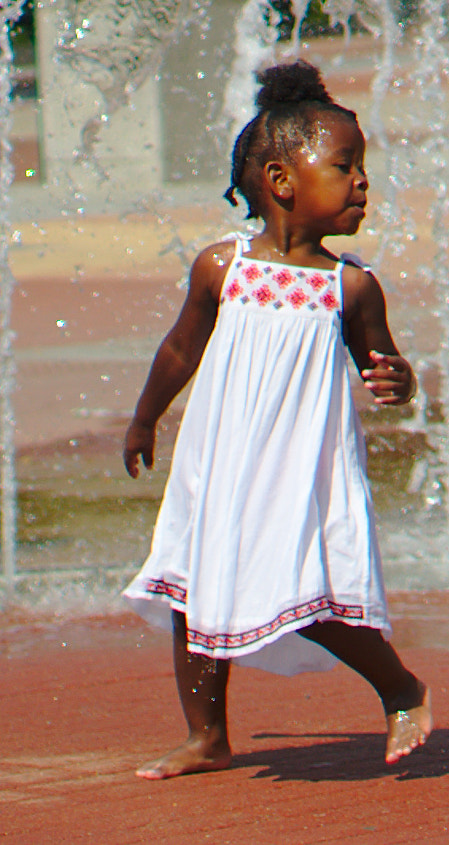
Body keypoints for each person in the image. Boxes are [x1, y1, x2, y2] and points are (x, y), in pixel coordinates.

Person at [122, 61, 430, 778]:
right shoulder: (220, 268)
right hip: (221, 459)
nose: (362, 182)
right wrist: (145, 420)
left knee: (312, 596)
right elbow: (178, 349)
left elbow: (382, 364)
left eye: (363, 168)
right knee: (192, 587)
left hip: (297, 467)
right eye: (345, 166)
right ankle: (207, 735)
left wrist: (401, 379)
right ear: (282, 180)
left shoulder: (349, 286)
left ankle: (401, 687)